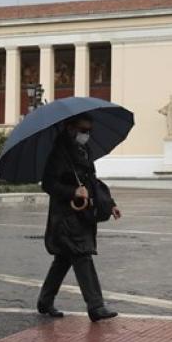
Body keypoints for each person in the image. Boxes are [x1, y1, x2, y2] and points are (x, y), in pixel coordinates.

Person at [37, 113, 121, 322]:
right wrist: (72, 191)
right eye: (83, 130)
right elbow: (48, 184)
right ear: (70, 128)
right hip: (65, 217)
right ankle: (96, 306)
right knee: (82, 255)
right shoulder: (59, 153)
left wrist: (110, 204)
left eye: (89, 131)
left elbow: (92, 182)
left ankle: (45, 301)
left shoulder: (84, 151)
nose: (87, 134)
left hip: (81, 215)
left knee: (63, 259)